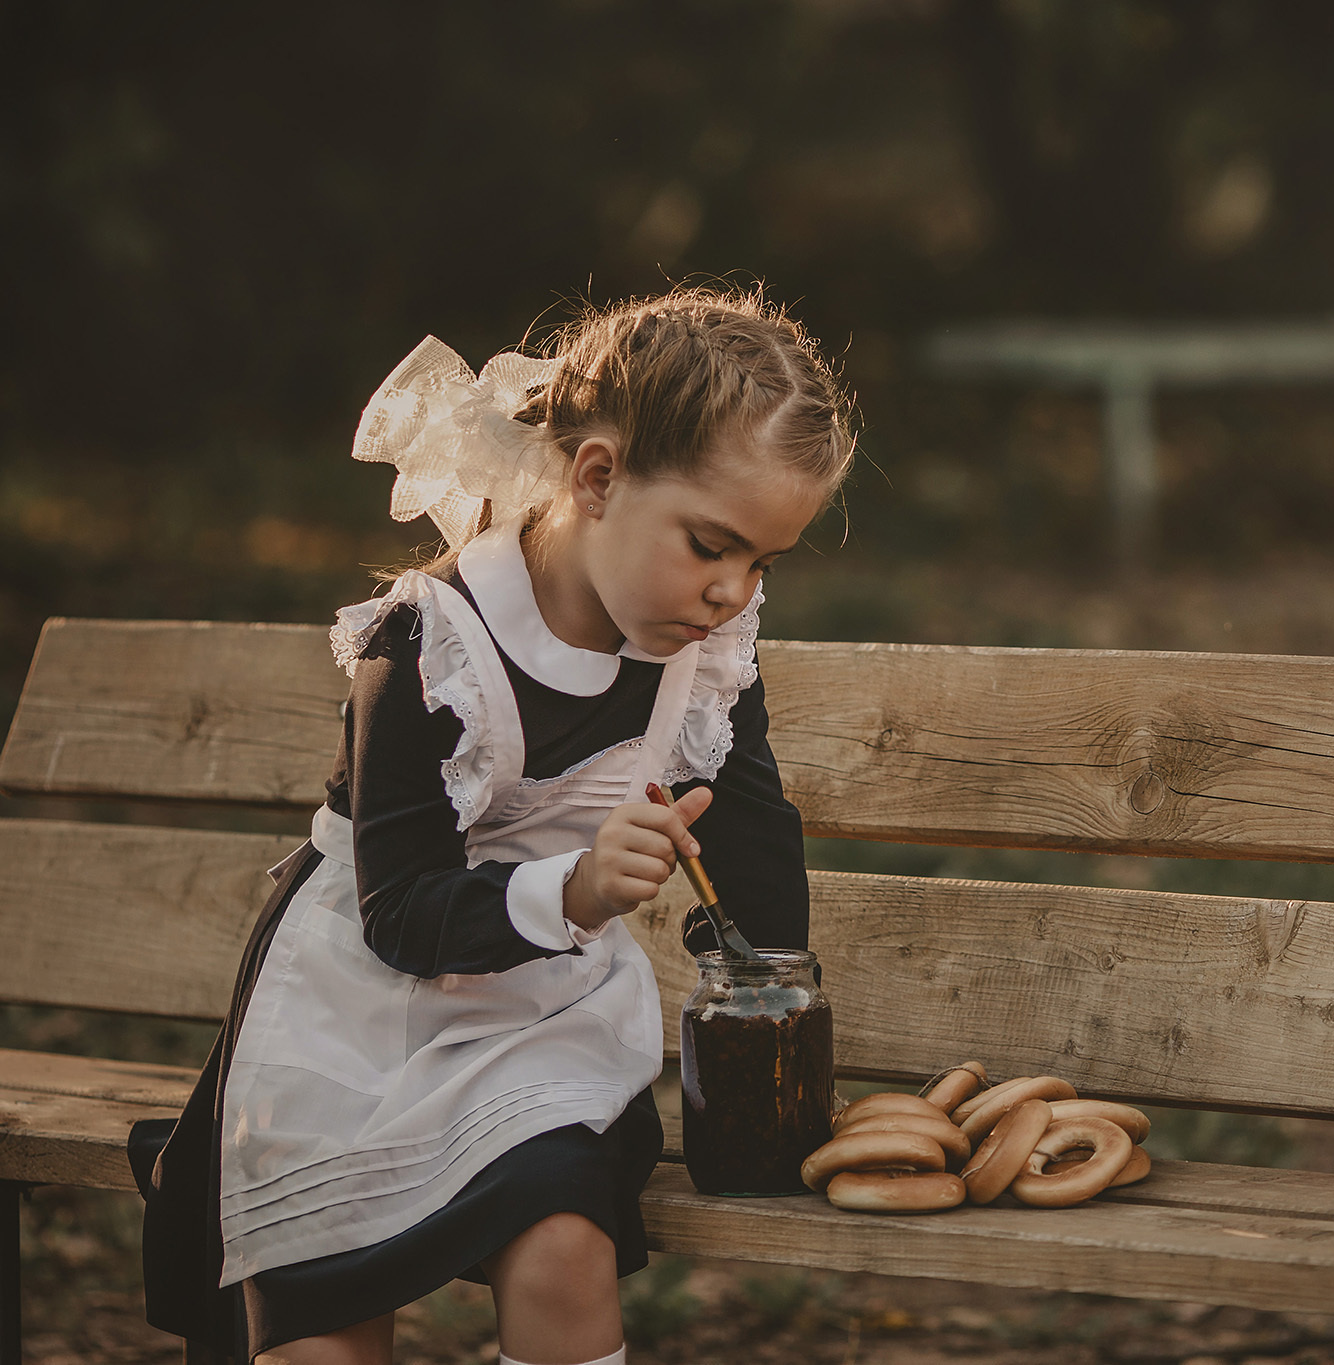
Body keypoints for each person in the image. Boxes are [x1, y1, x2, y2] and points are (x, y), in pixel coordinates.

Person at [133, 286, 857, 1365]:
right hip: (362, 1014)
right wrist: (570, 891)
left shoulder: (709, 647)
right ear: (598, 476)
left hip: (535, 1021)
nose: (730, 591)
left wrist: (767, 1001)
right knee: (321, 1328)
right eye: (711, 545)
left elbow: (747, 823)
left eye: (760, 562)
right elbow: (400, 914)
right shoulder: (429, 648)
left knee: (564, 1244)